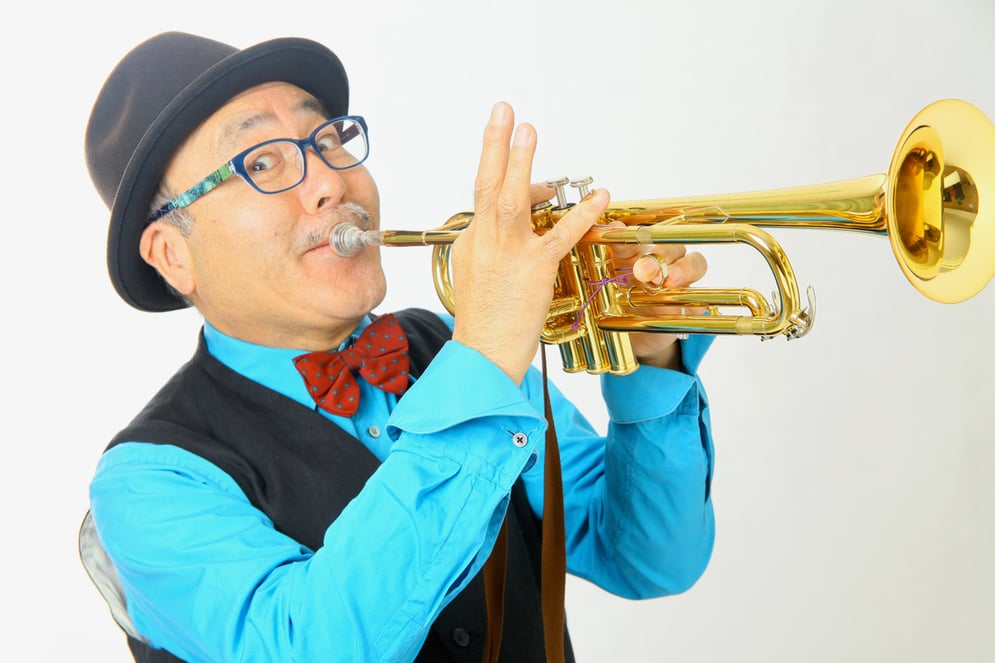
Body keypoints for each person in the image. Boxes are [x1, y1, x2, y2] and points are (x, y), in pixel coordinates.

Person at [80, 31, 715, 663]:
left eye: (326, 140)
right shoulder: (147, 483)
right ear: (173, 255)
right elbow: (308, 647)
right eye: (261, 163)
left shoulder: (457, 348)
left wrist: (650, 362)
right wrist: (486, 355)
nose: (330, 182)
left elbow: (648, 558)